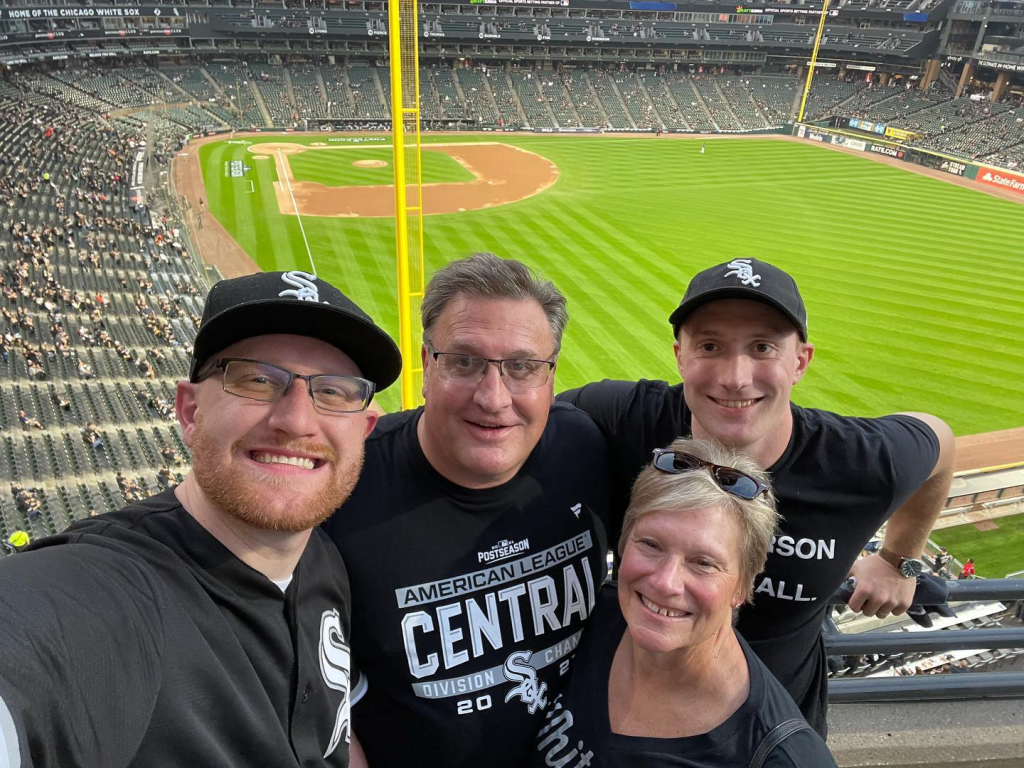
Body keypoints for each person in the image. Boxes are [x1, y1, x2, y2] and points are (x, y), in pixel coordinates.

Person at [0, 270, 402, 767]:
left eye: (336, 391)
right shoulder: (114, 593)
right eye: (258, 379)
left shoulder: (323, 562)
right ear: (189, 412)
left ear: (364, 430)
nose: (297, 420)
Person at [558, 257, 955, 736]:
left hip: (770, 737)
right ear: (680, 356)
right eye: (710, 346)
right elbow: (513, 424)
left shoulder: (859, 462)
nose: (735, 377)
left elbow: (941, 442)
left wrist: (899, 560)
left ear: (800, 361)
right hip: (623, 723)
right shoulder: (622, 418)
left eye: (763, 347)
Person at [323, 253, 610, 768]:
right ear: (427, 362)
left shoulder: (584, 447)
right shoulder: (344, 490)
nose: (493, 397)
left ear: (551, 376)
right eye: (464, 361)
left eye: (522, 367)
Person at [530, 438, 835, 767]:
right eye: (651, 544)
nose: (665, 582)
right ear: (623, 542)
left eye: (703, 563)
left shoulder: (781, 757)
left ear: (744, 586)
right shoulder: (592, 618)